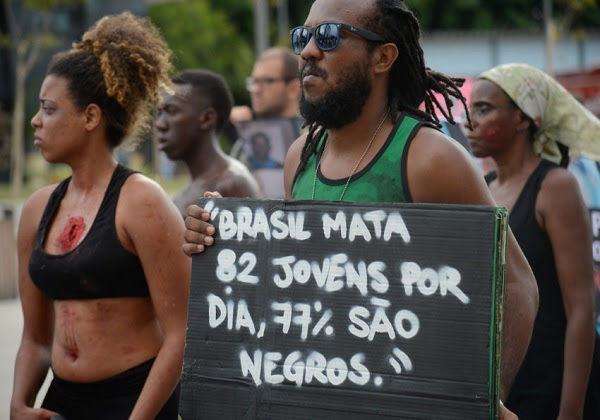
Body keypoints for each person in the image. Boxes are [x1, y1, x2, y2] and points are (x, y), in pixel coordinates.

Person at [182, 0, 538, 418]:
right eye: (304, 36)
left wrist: (485, 399)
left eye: (329, 37)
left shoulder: (429, 158)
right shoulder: (301, 157)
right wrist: (222, 238)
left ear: (383, 57)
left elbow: (516, 286)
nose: (309, 51)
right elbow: (301, 292)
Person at [10, 12, 190, 419]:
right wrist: (19, 403)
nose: (36, 121)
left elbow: (180, 335)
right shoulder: (38, 208)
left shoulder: (142, 202)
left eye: (49, 109)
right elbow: (36, 338)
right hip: (62, 401)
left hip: (133, 402)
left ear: (91, 117)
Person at [466, 63, 600, 420]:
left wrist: (570, 411)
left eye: (484, 109)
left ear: (525, 119)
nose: (469, 122)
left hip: (550, 384)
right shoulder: (485, 187)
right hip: (503, 385)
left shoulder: (555, 187)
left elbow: (582, 310)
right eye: (469, 109)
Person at [155, 69, 260, 217]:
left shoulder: (231, 182)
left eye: (171, 111)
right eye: (160, 113)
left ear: (207, 119)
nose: (160, 124)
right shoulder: (191, 189)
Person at [229, 47, 303, 198]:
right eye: (253, 82)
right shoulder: (244, 143)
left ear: (294, 88)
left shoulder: (316, 138)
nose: (255, 90)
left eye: (266, 81)